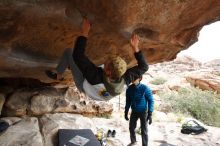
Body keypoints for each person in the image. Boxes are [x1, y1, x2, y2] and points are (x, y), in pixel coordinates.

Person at [46, 18, 148, 100]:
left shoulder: (95, 76)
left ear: (108, 72)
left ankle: (59, 75)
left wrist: (85, 32)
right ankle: (71, 67)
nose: (105, 60)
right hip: (100, 92)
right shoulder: (125, 79)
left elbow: (77, 55)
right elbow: (144, 67)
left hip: (84, 86)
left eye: (107, 63)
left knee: (69, 52)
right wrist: (135, 47)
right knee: (84, 64)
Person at [124, 74, 154, 146]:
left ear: (140, 78)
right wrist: (126, 112)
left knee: (144, 130)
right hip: (134, 111)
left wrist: (150, 113)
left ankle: (145, 144)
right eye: (132, 78)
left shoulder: (145, 88)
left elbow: (151, 100)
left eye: (135, 78)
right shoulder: (129, 89)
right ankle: (133, 141)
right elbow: (128, 101)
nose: (133, 79)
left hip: (143, 111)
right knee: (131, 127)